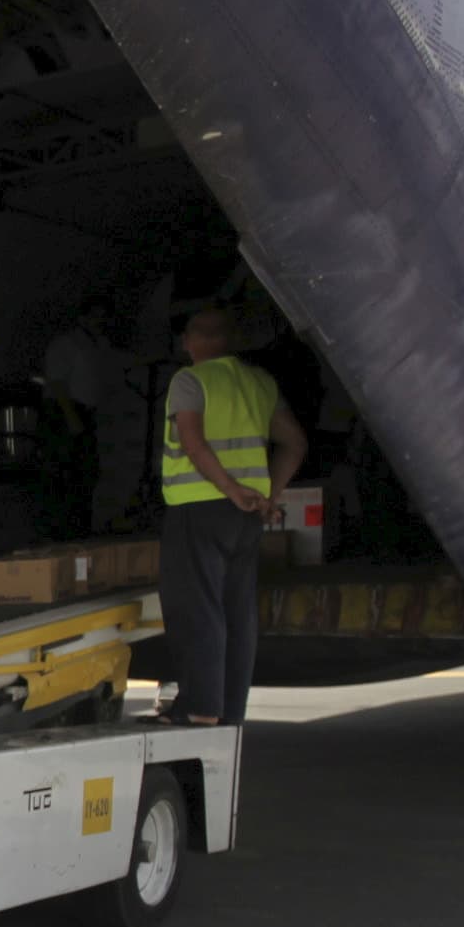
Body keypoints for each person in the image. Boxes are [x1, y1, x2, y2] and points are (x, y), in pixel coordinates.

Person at [158, 305, 307, 727]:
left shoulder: (190, 381)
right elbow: (294, 443)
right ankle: (228, 708)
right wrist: (265, 496)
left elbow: (192, 442)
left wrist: (229, 489)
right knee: (237, 613)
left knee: (197, 607)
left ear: (193, 340)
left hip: (199, 508)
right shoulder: (260, 383)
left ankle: (201, 707)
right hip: (246, 516)